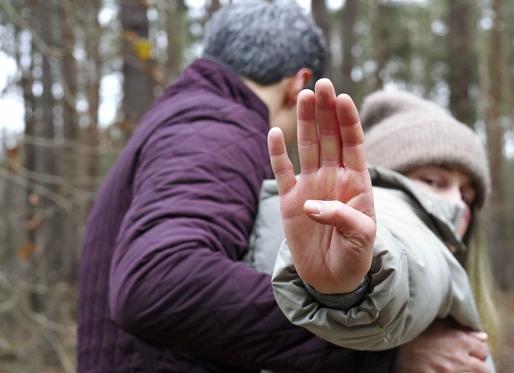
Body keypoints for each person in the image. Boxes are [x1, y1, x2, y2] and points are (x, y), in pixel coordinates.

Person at [77, 1, 481, 372]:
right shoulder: (212, 128)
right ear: (298, 84)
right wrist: (379, 353)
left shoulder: (187, 121)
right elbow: (159, 280)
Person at [259, 83, 498, 371]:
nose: (457, 204)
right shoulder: (395, 212)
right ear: (383, 180)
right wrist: (354, 282)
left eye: (467, 195)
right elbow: (409, 253)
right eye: (434, 181)